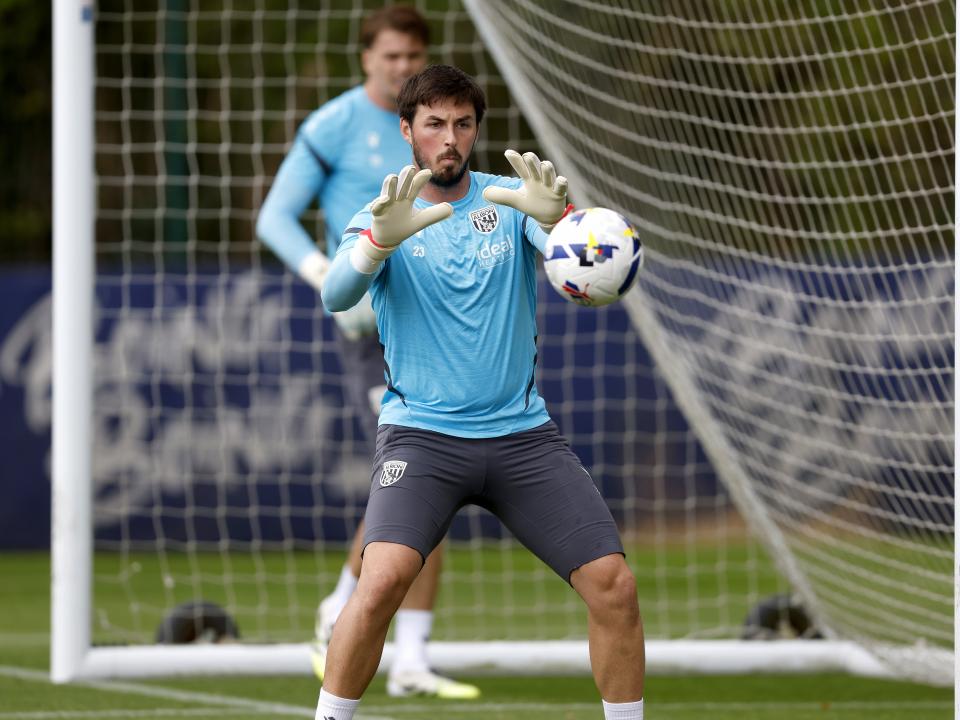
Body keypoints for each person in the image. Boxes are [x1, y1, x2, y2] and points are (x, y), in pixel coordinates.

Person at [316, 64, 646, 720]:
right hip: (421, 439)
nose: (450, 138)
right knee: (378, 584)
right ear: (407, 130)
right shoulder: (383, 213)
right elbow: (335, 295)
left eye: (462, 124)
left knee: (614, 585)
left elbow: (575, 267)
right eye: (434, 123)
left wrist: (563, 222)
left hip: (522, 439)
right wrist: (378, 242)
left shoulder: (509, 199)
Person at [256, 6, 479, 700]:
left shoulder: (437, 128)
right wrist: (324, 272)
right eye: (390, 56)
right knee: (421, 474)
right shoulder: (333, 125)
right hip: (369, 329)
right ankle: (356, 615)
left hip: (439, 324)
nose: (402, 66)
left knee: (426, 483)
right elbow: (274, 217)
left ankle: (403, 650)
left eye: (413, 54)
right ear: (366, 59)